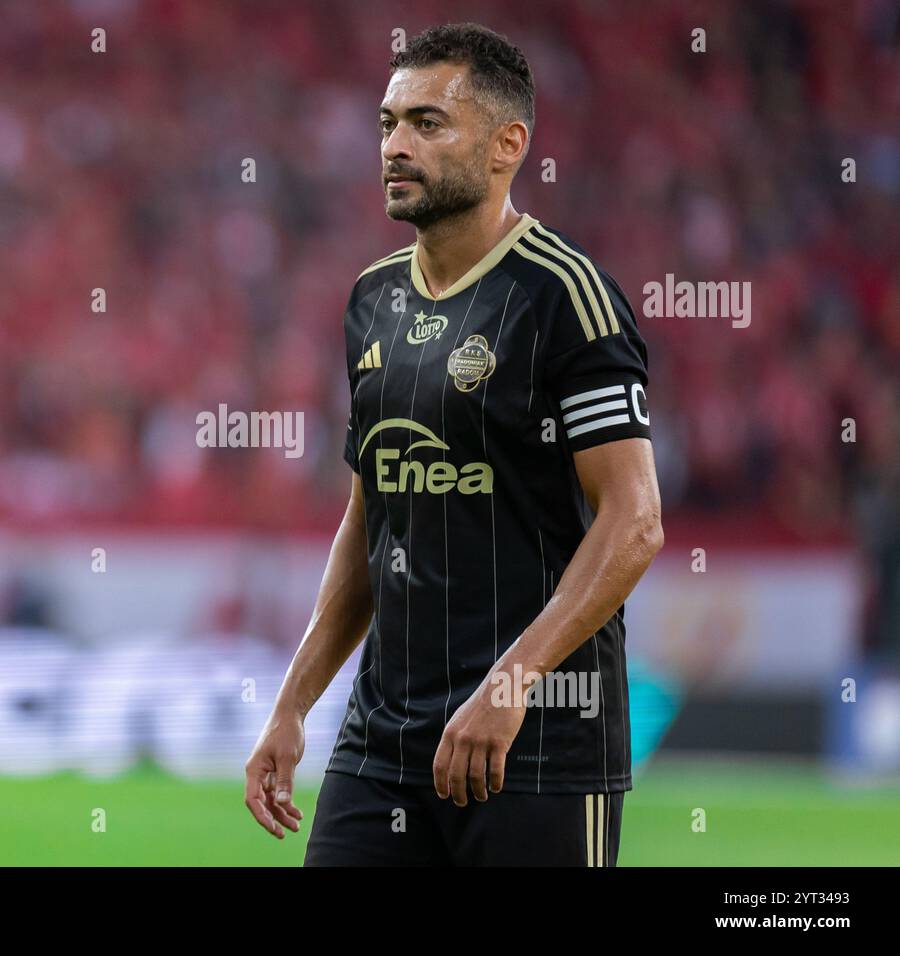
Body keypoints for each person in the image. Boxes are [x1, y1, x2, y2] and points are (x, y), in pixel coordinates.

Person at [245, 22, 663, 866]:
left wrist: (508, 686)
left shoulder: (564, 297)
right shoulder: (372, 301)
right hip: (384, 745)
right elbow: (371, 520)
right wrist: (292, 703)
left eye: (427, 123)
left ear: (508, 145)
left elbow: (635, 521)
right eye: (388, 123)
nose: (395, 146)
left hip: (536, 747)